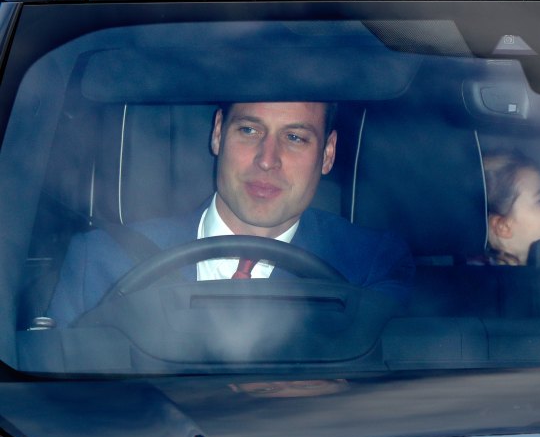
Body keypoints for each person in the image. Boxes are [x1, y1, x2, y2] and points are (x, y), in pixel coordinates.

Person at [47, 102, 414, 327]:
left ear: (329, 154)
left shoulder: (369, 267)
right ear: (219, 134)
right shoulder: (101, 261)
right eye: (250, 130)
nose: (267, 160)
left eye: (295, 137)